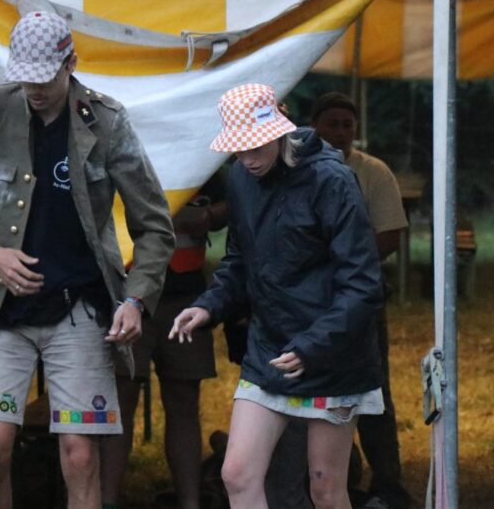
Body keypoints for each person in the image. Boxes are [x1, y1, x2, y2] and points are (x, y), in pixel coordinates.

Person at [0, 10, 174, 509]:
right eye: (25, 77)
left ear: (71, 63)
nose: (34, 89)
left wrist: (135, 300)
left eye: (44, 78)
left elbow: (155, 226)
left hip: (80, 308)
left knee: (80, 454)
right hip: (6, 311)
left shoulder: (107, 121)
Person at [170, 83, 384, 509]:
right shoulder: (241, 178)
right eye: (238, 150)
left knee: (325, 489)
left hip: (333, 356)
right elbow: (239, 261)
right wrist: (207, 306)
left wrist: (312, 346)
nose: (247, 158)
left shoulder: (332, 180)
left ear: (280, 131)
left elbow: (363, 284)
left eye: (255, 147)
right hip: (268, 348)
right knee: (236, 474)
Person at [100, 171, 228, 509]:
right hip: (127, 294)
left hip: (185, 295)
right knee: (120, 402)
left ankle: (190, 501)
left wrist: (210, 215)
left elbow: (234, 198)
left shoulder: (202, 160)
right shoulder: (124, 151)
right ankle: (106, 501)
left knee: (184, 402)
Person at [309, 91, 412, 509]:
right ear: (314, 126)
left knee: (373, 389)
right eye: (331, 124)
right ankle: (339, 478)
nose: (340, 132)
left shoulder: (373, 172)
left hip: (362, 298)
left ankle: (388, 481)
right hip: (310, 301)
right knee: (320, 392)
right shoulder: (299, 168)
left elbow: (390, 233)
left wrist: (347, 262)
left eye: (346, 125)